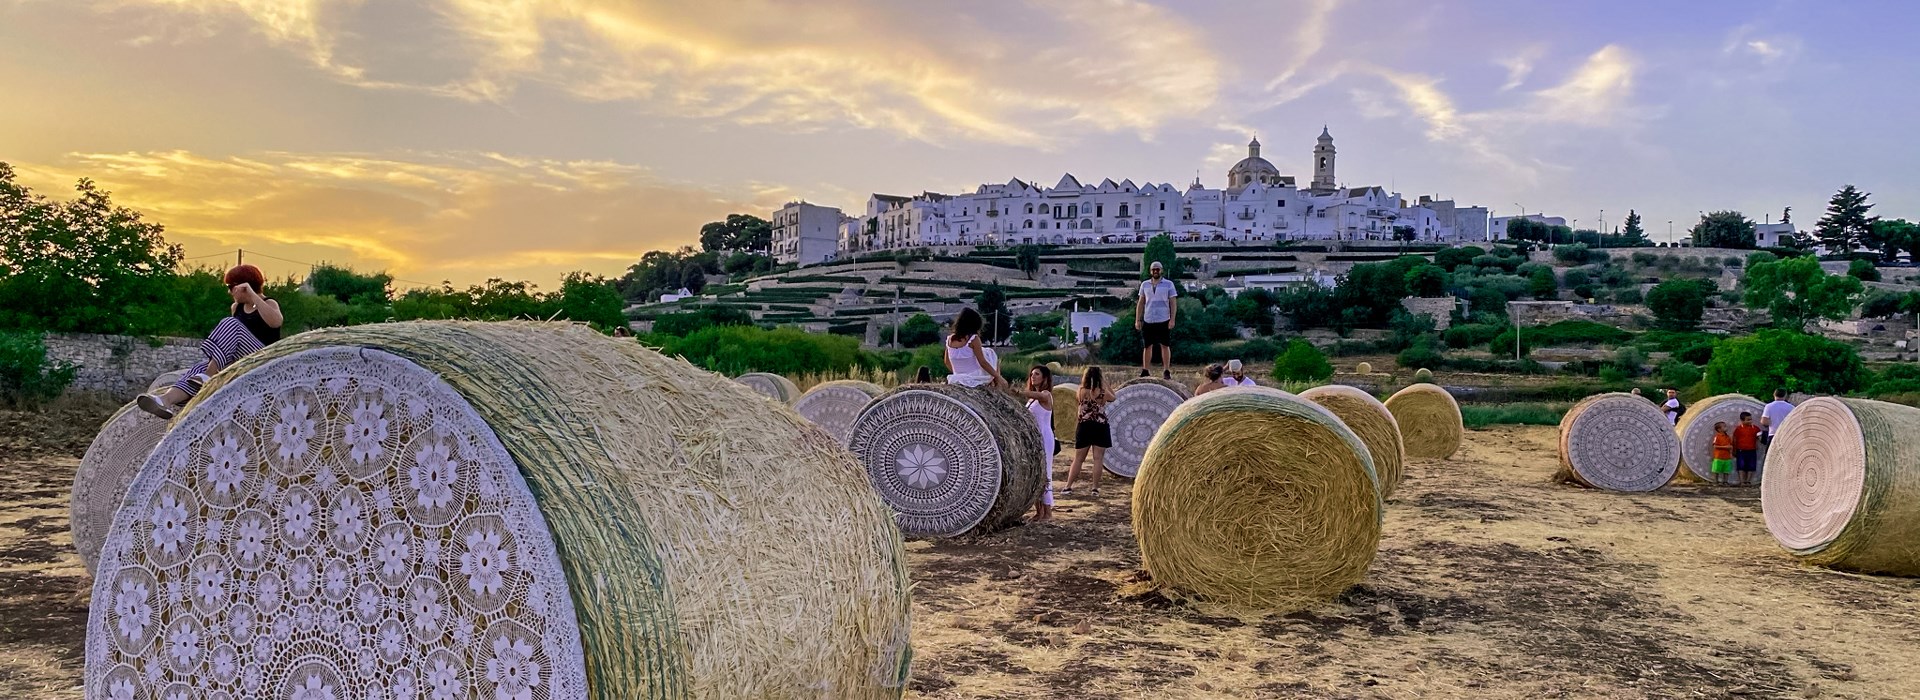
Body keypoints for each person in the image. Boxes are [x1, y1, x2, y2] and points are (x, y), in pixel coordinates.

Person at [137, 265, 282, 419]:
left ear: (243, 286)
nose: (229, 291)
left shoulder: (269, 303)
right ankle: (165, 400)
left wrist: (253, 295)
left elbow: (276, 322)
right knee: (199, 368)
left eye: (231, 287)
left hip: (262, 358)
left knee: (230, 324)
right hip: (241, 359)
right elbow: (231, 341)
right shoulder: (236, 308)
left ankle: (209, 375)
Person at [1013, 365, 1058, 521]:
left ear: (1044, 378)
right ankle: (1039, 511)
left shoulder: (1046, 395)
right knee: (1036, 473)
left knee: (1045, 473)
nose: (1033, 377)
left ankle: (1048, 512)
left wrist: (1018, 392)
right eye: (1031, 374)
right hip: (1035, 439)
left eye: (1037, 374)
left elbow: (1040, 396)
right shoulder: (1032, 399)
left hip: (1044, 437)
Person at [1064, 366, 1116, 496]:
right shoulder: (1102, 392)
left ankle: (1068, 486)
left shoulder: (1081, 390)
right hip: (1100, 425)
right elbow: (1114, 397)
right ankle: (1094, 488)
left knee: (1078, 459)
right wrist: (1104, 383)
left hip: (1084, 425)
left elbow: (1079, 400)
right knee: (1098, 459)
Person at [1134, 260, 1178, 380]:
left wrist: (1172, 319)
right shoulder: (1144, 285)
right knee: (1147, 346)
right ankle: (1145, 370)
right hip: (1148, 319)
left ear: (1161, 270)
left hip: (1163, 318)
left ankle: (1166, 370)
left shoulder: (1169, 284)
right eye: (1153, 269)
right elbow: (1141, 302)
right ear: (1150, 271)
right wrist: (1137, 319)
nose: (1155, 271)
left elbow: (1173, 303)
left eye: (1157, 269)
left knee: (1165, 345)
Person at [943, 308, 1005, 388]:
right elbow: (982, 362)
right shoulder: (973, 339)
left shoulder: (950, 339)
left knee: (985, 352)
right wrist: (998, 376)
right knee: (990, 352)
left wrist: (958, 374)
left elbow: (946, 361)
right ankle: (997, 384)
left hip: (956, 377)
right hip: (974, 377)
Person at [1733, 411, 1763, 486]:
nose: (1750, 421)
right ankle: (1742, 481)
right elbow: (1735, 439)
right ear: (1742, 421)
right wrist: (1734, 449)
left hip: (1752, 450)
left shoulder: (1755, 428)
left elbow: (1759, 437)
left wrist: (1759, 439)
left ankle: (1748, 481)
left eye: (1751, 419)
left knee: (1751, 466)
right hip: (1741, 450)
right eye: (1748, 419)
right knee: (1741, 466)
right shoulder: (1738, 429)